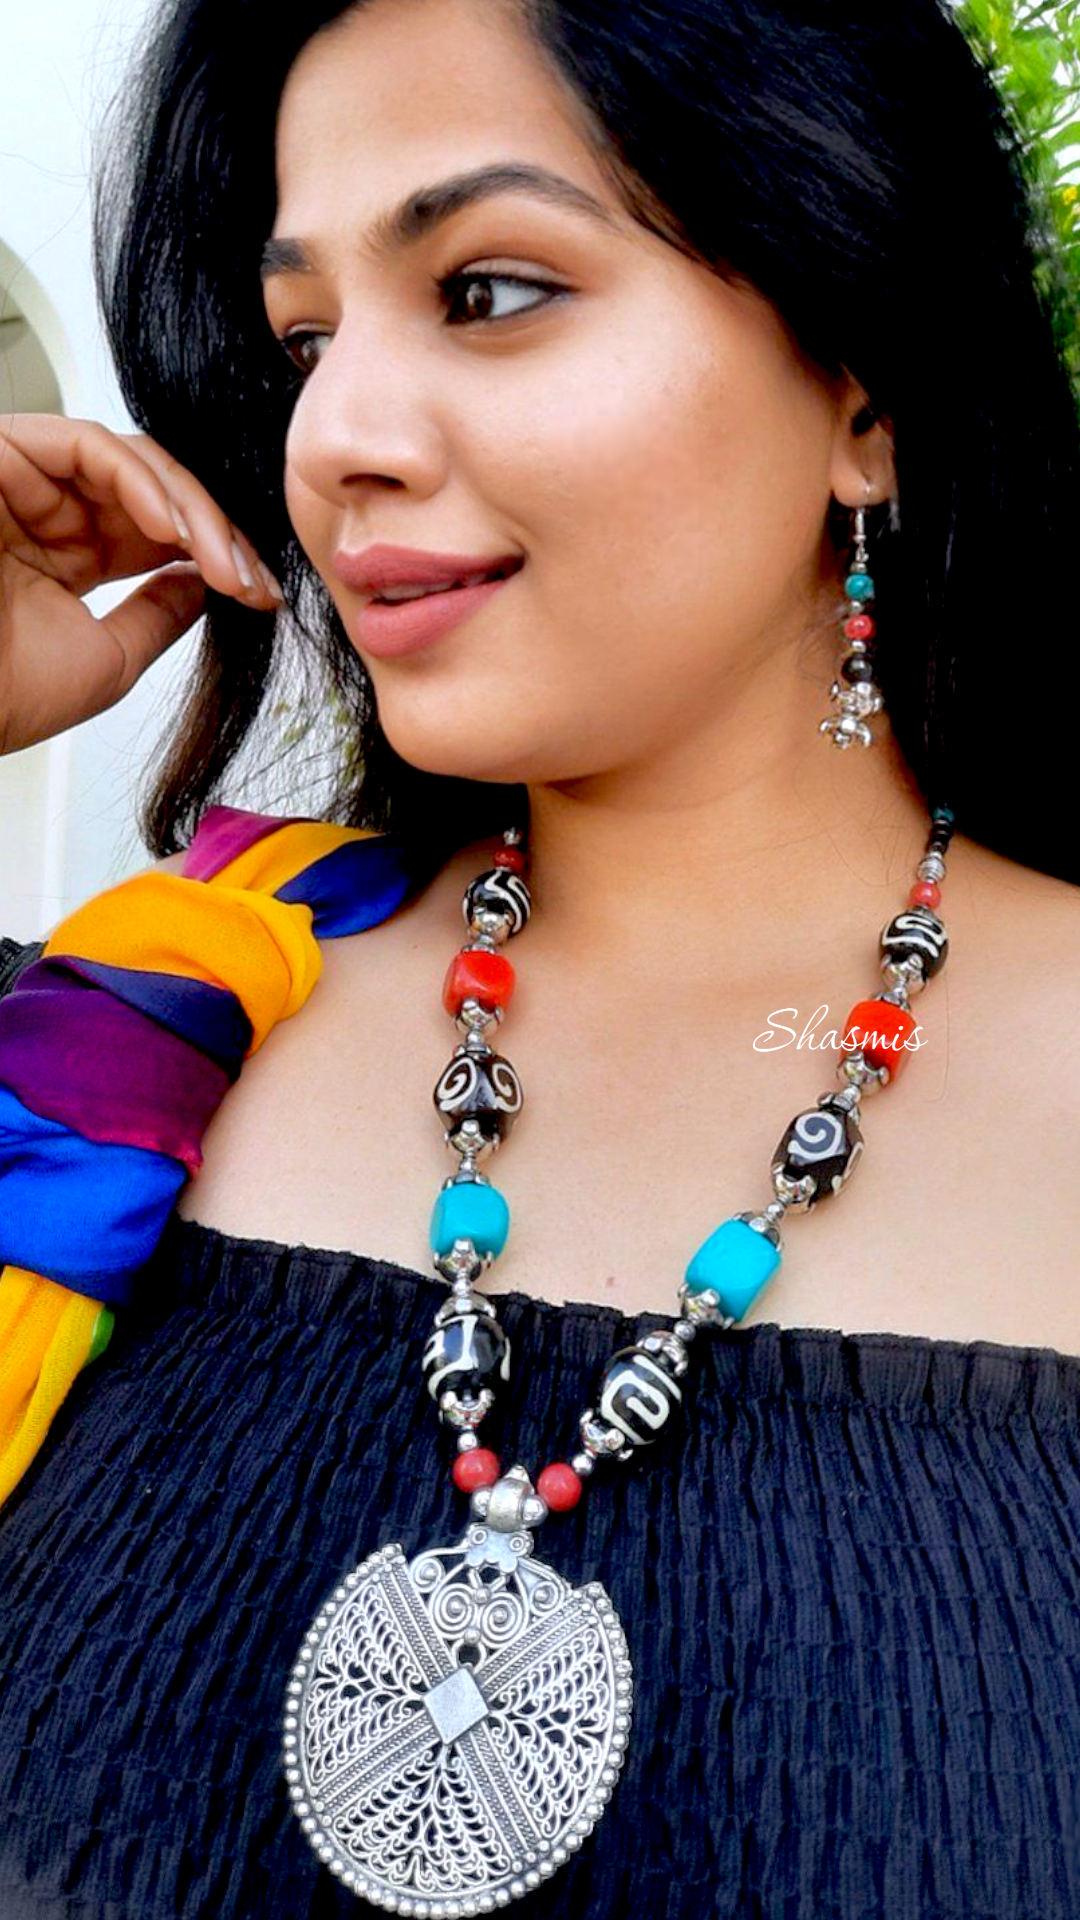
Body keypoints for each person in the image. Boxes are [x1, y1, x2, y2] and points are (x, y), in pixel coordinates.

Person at [1, 0, 1079, 1912]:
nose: (334, 438)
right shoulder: (130, 1032)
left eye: (488, 290)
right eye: (306, 341)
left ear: (863, 388)